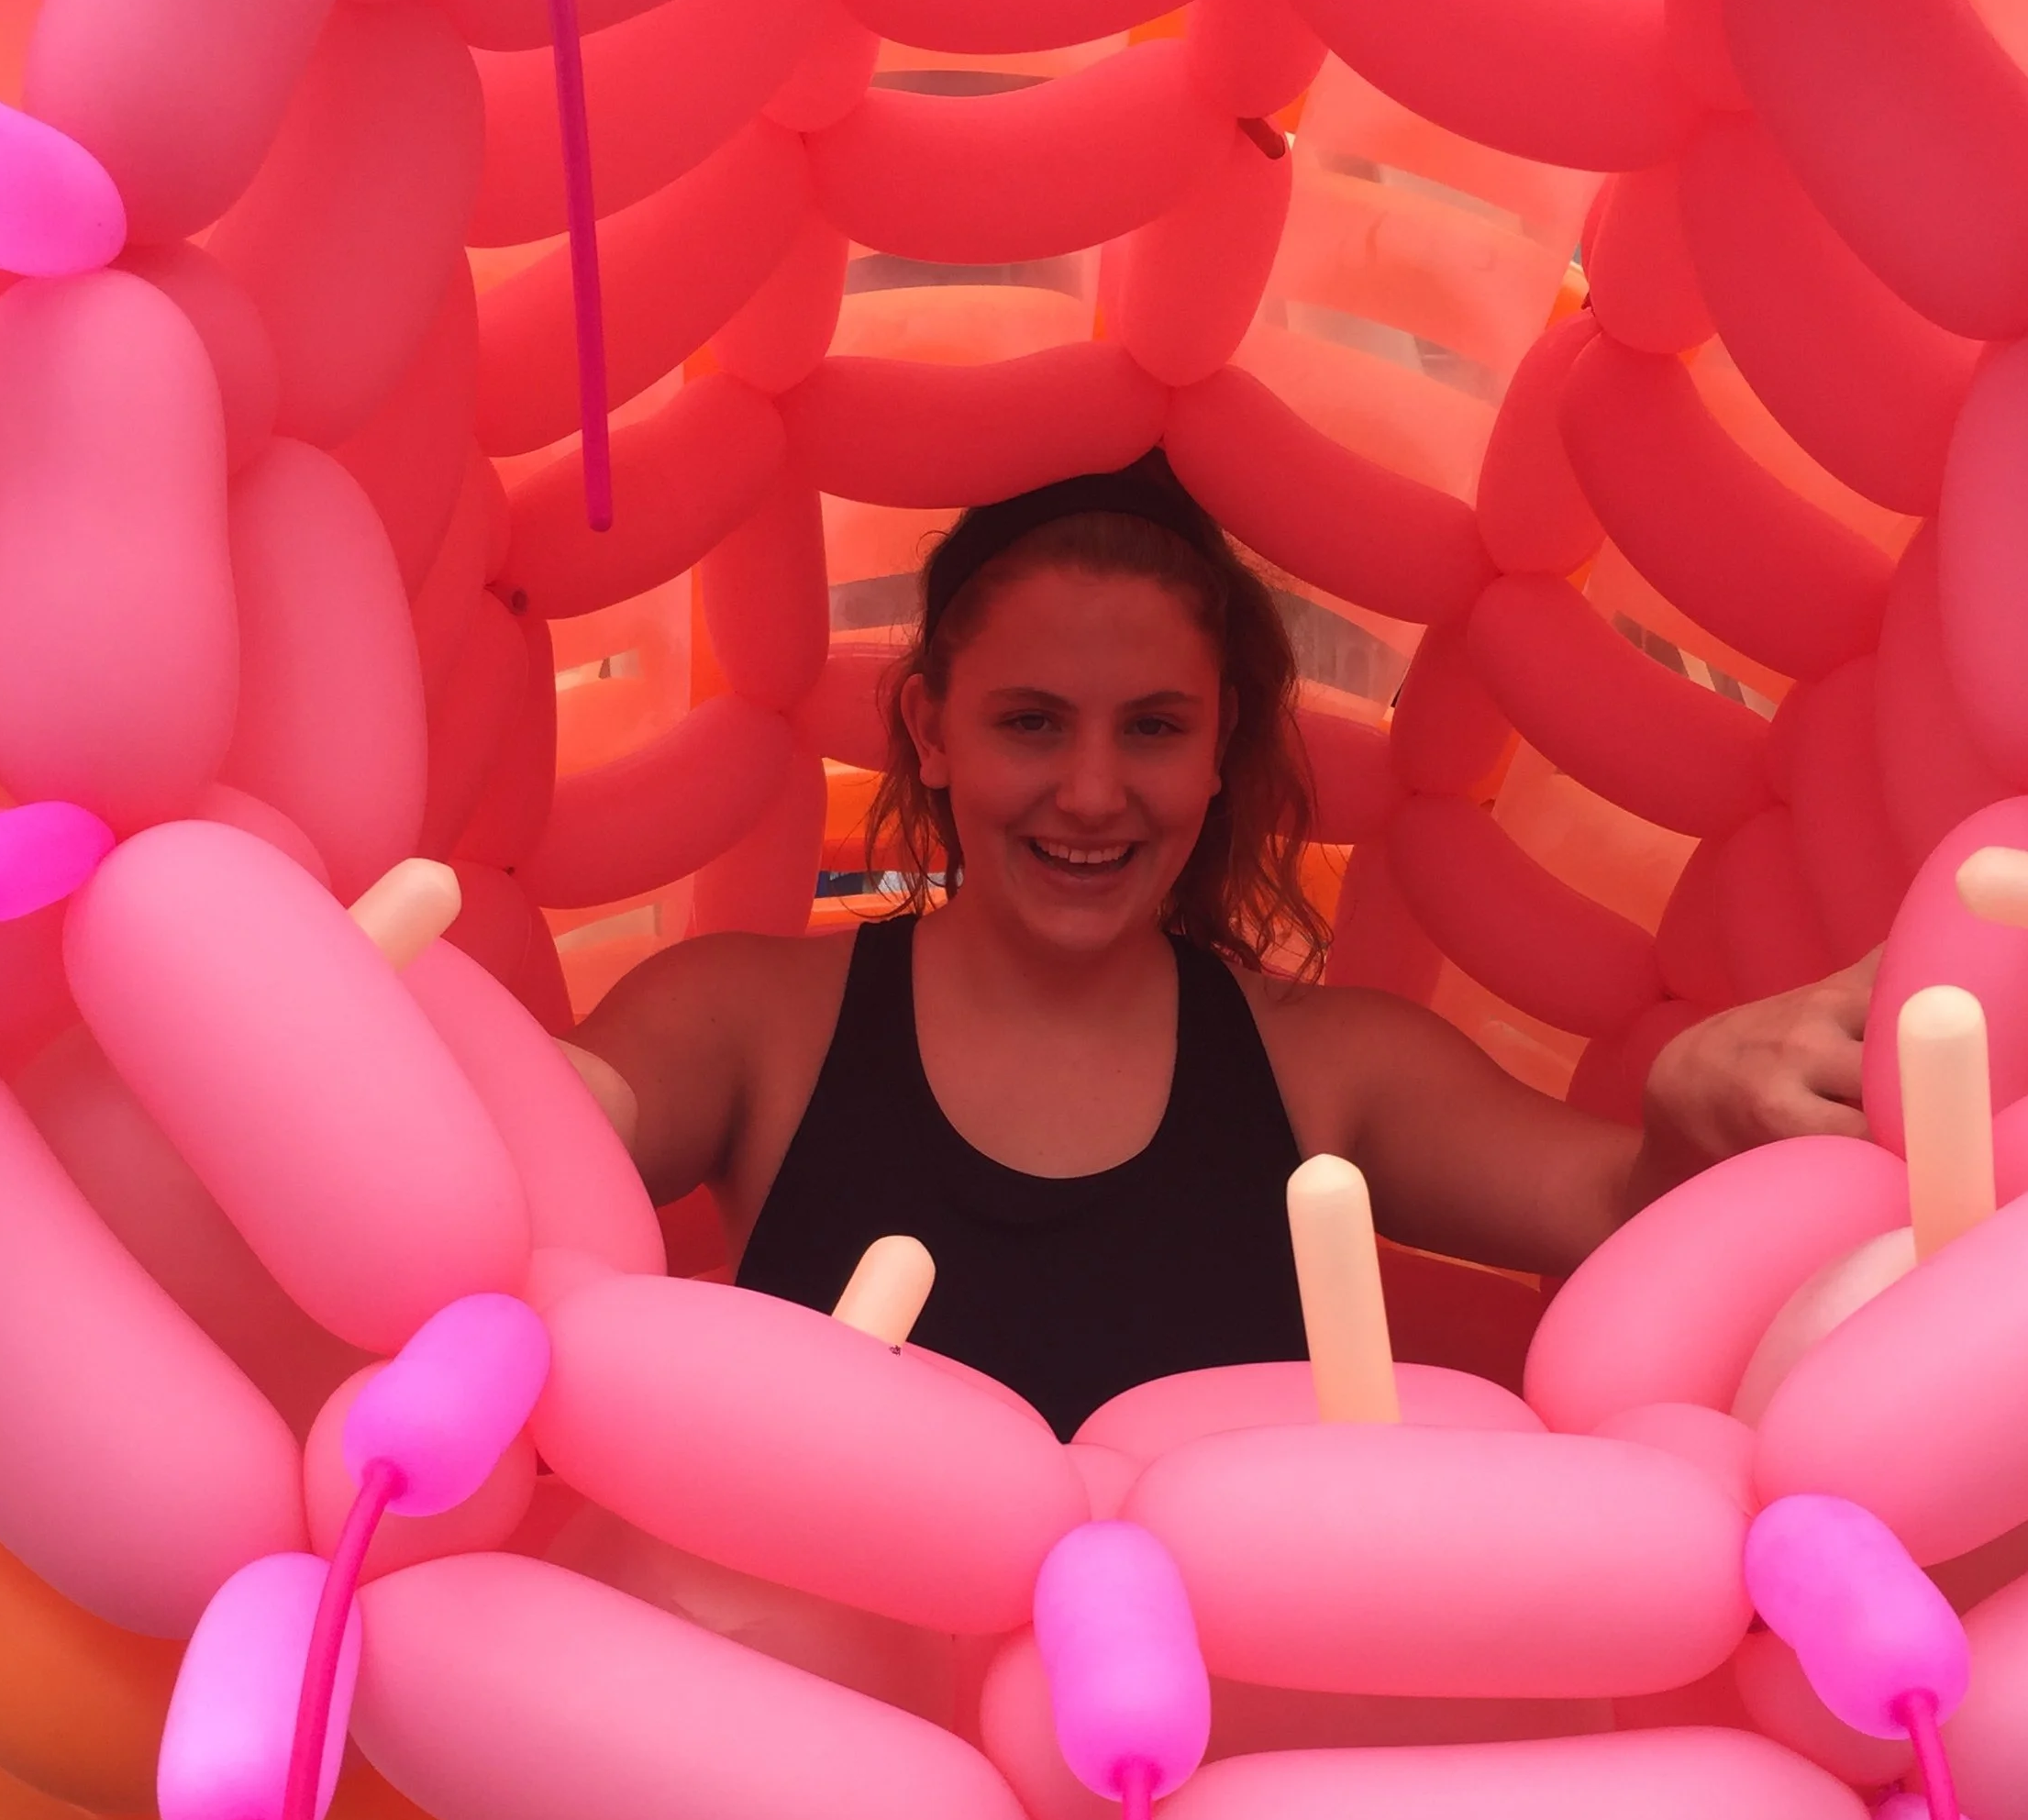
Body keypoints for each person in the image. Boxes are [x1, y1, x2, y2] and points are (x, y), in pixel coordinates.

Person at [575, 453, 1876, 1438]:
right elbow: (539, 1152)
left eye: (1151, 728)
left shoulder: (1339, 1067)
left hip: (1191, 1780)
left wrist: (1701, 1110)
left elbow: (1623, 1207)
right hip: (817, 1762)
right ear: (929, 730)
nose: (1092, 793)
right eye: (1031, 723)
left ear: (1219, 746)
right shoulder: (743, 1019)